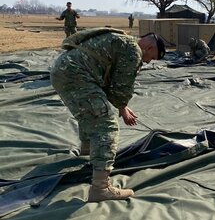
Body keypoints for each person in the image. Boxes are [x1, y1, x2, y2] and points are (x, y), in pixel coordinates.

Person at [50, 28, 166, 202]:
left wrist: (121, 106)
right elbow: (121, 86)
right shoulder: (134, 50)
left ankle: (87, 153)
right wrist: (122, 107)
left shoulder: (122, 41)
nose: (149, 61)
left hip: (62, 71)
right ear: (149, 47)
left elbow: (108, 83)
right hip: (77, 75)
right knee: (106, 125)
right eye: (152, 57)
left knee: (90, 112)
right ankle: (100, 187)